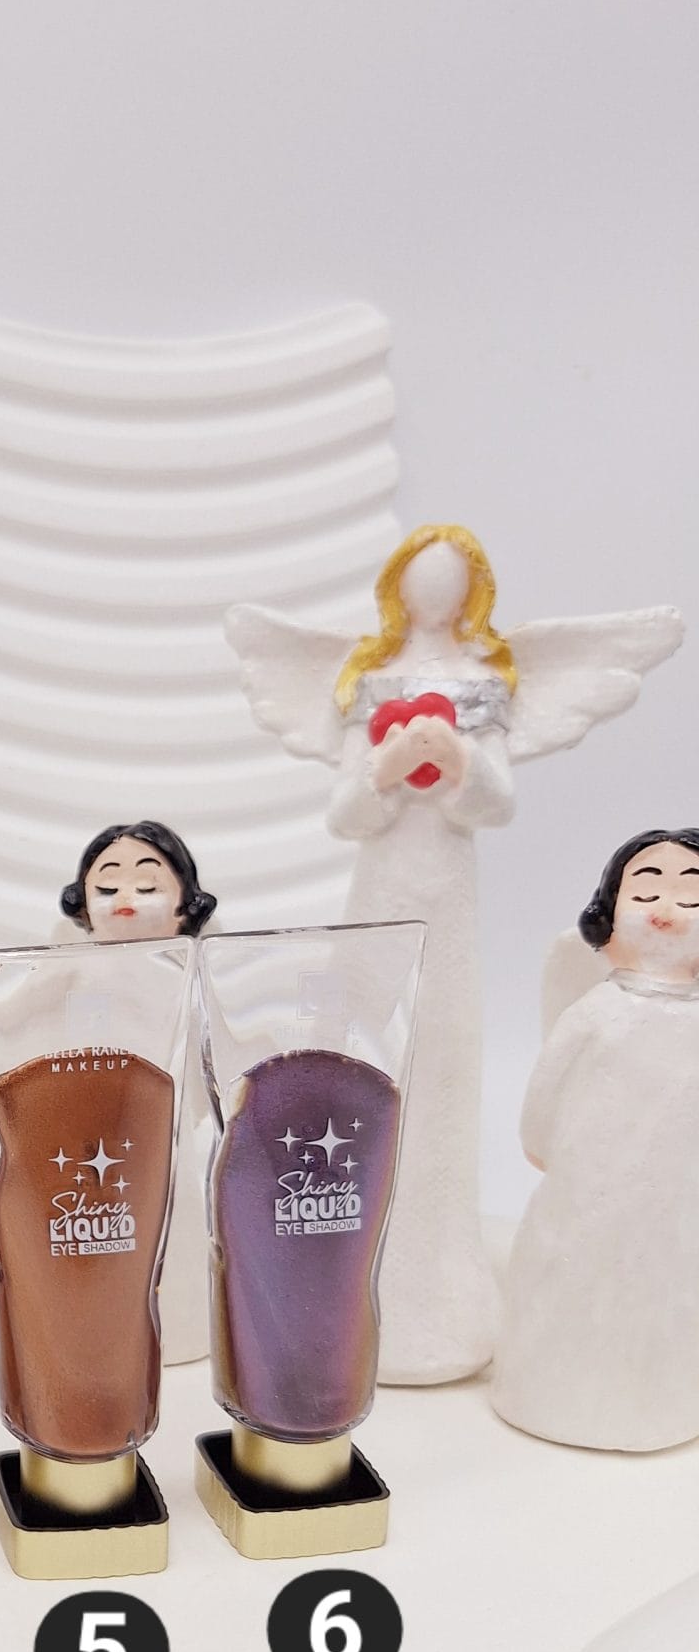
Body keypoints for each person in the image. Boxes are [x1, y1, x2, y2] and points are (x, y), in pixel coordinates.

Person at [227, 528, 681, 1383]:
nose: (434, 592)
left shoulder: (485, 679)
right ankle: (350, 1278)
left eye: (452, 578)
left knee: (443, 1071)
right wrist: (386, 765)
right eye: (420, 576)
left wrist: (460, 759)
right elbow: (347, 815)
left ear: (473, 589)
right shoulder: (367, 678)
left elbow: (495, 804)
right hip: (377, 900)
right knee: (366, 1067)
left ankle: (439, 1282)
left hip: (449, 900)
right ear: (397, 586)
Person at [491, 831, 699, 1451]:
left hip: (676, 1196)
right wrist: (541, 1143)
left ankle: (656, 1402)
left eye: (691, 898)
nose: (666, 909)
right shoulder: (598, 1011)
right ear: (608, 915)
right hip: (588, 1185)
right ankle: (545, 1391)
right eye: (646, 893)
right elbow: (547, 1087)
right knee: (572, 1276)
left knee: (661, 1285)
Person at [57, 820, 214, 1364]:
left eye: (148, 886)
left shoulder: (185, 971)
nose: (126, 897)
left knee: (175, 1219)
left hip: (167, 1124)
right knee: (95, 1224)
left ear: (184, 906)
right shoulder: (73, 968)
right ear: (83, 902)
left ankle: (181, 1326)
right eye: (107, 886)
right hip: (88, 1126)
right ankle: (100, 1329)